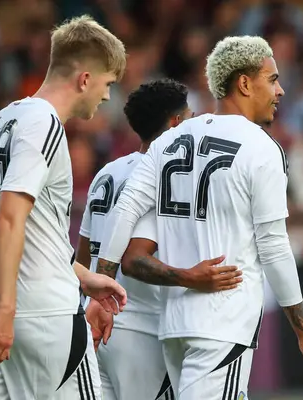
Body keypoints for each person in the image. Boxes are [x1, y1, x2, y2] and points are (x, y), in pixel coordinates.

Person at [97, 35, 303, 399]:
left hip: (174, 327)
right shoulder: (262, 147)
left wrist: (102, 293)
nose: (281, 90)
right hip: (225, 324)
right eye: (272, 79)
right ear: (243, 83)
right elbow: (273, 247)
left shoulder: (169, 140)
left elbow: (124, 210)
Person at [0, 15, 127, 400]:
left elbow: (33, 229)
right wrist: (7, 308)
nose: (106, 97)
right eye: (107, 85)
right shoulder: (45, 124)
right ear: (85, 79)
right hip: (38, 316)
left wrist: (81, 275)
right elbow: (10, 218)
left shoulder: (4, 119)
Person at [77, 78, 242, 400]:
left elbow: (83, 257)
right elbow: (135, 257)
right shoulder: (169, 176)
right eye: (191, 116)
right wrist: (191, 277)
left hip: (95, 324)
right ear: (176, 122)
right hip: (141, 326)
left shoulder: (107, 172)